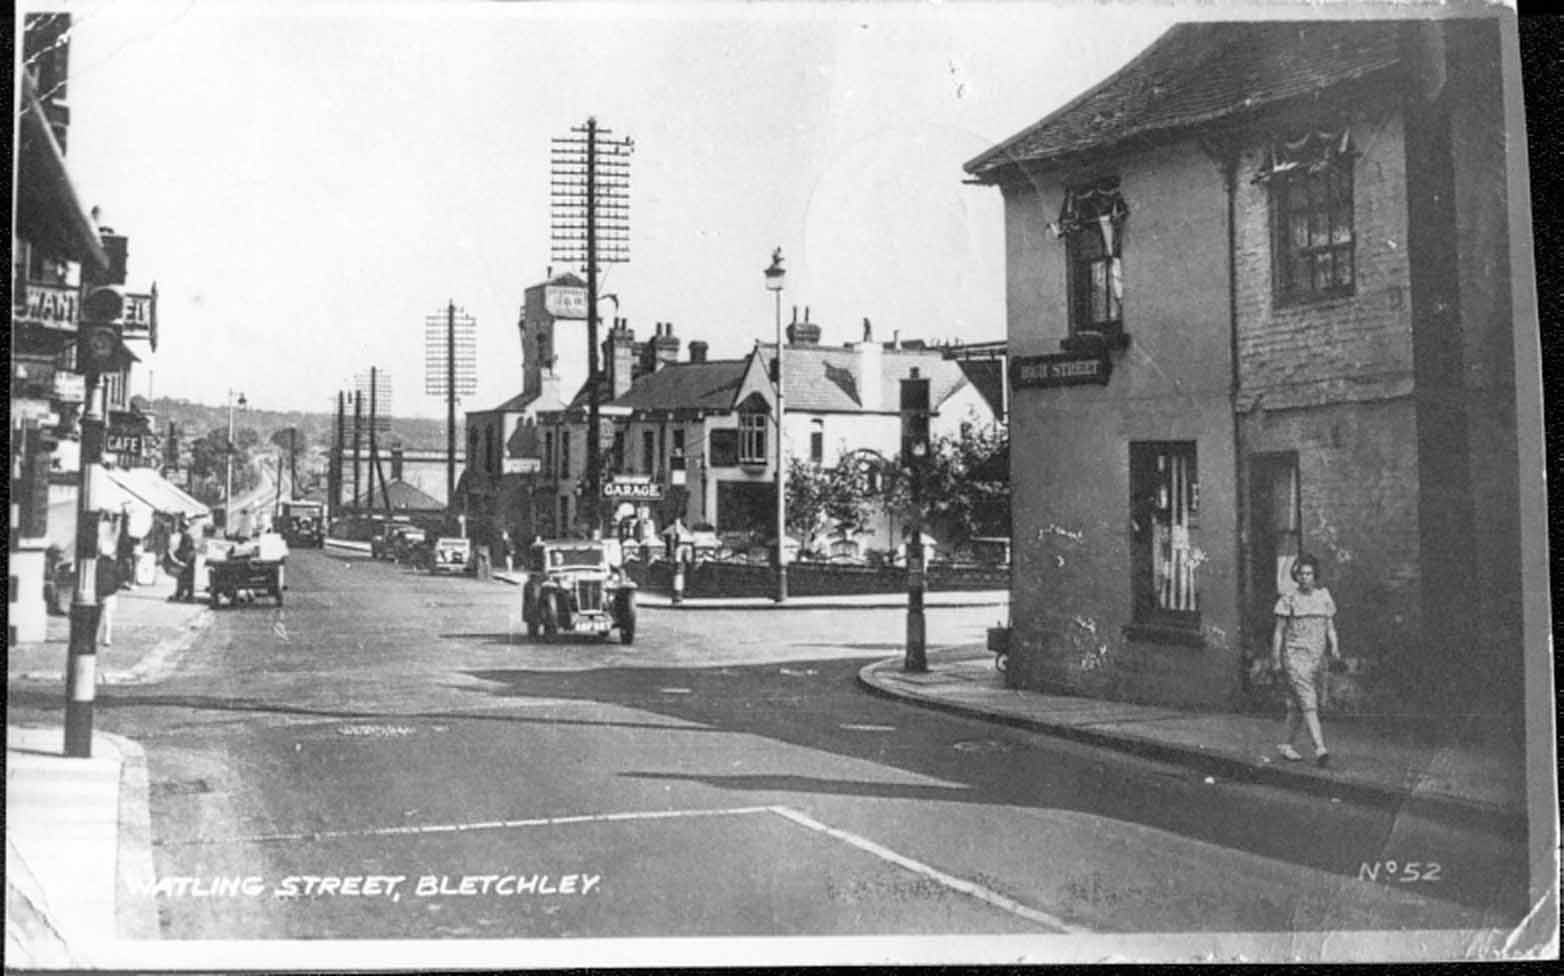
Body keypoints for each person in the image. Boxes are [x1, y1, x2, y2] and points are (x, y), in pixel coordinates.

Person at [1270, 554, 1341, 767]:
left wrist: (1335, 647)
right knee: (1308, 702)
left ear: (1315, 575)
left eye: (1308, 573)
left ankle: (1285, 744)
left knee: (1296, 705)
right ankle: (1320, 748)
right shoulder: (1288, 599)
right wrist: (1276, 658)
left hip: (1317, 658)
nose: (1304, 577)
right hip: (1295, 657)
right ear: (1296, 576)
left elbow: (1330, 628)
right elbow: (1279, 632)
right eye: (1301, 574)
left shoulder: (1324, 597)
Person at [170, 521, 198, 602]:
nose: (180, 530)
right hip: (189, 560)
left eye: (181, 528)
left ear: (183, 528)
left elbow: (185, 549)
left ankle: (183, 594)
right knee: (187, 578)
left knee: (184, 578)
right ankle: (186, 594)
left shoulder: (186, 536)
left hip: (187, 560)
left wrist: (178, 554)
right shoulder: (187, 536)